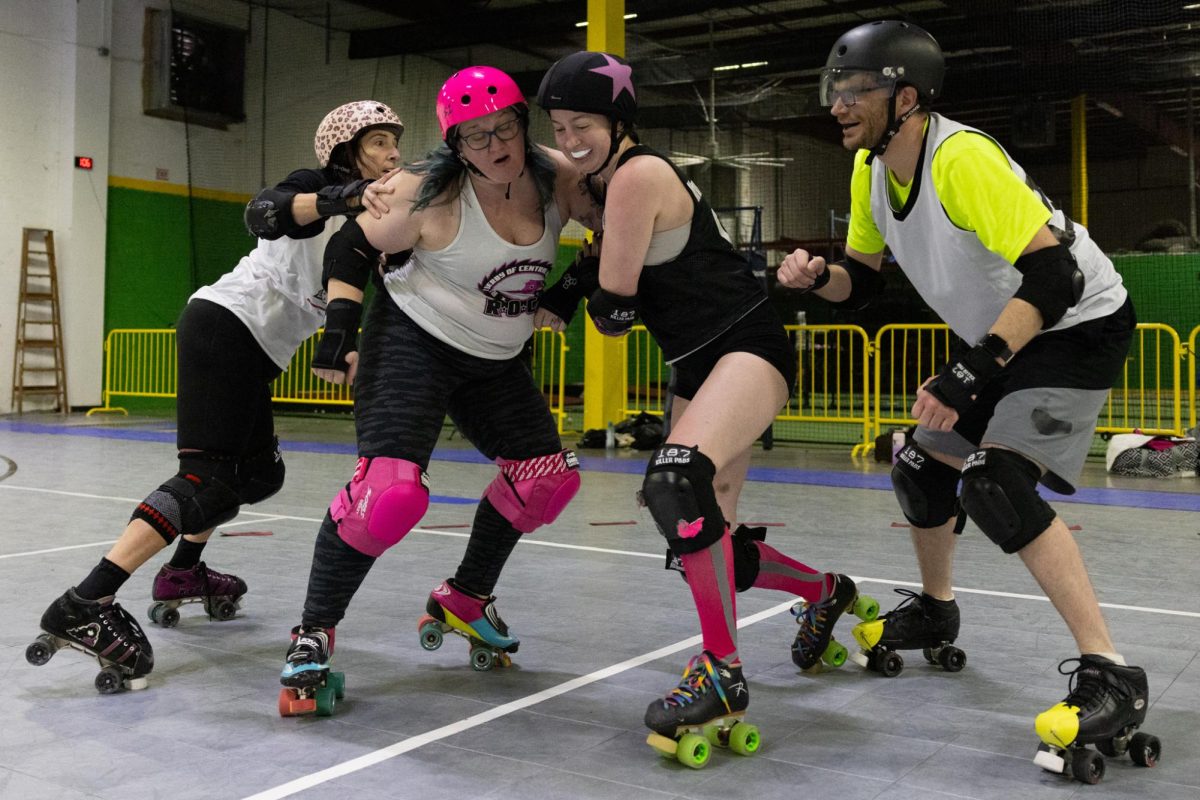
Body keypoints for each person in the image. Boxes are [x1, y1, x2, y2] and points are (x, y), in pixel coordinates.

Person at [777, 19, 1150, 771]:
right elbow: (863, 286)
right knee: (920, 464)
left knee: (994, 480)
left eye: (856, 93)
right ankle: (938, 609)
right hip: (1004, 334)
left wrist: (970, 370)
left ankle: (1113, 673)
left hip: (1076, 324)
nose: (839, 106)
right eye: (835, 91)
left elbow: (1056, 277)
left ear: (906, 98)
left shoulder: (962, 159)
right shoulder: (870, 170)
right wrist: (821, 279)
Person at [534, 51, 875, 747]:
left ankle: (721, 671)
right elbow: (596, 253)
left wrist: (570, 289)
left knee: (676, 485)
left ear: (619, 121)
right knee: (704, 541)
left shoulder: (636, 177)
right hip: (698, 366)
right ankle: (823, 591)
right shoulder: (614, 177)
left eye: (583, 124)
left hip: (747, 347)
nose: (571, 139)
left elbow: (617, 312)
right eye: (561, 125)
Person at [28, 101, 404, 691]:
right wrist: (344, 197)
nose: (394, 154)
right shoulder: (318, 189)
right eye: (380, 142)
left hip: (254, 351)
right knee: (207, 479)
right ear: (345, 151)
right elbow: (264, 213)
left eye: (394, 143)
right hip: (225, 324)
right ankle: (85, 601)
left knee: (256, 475)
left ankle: (181, 573)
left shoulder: (380, 222)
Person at [278, 67, 604, 702]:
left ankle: (466, 597)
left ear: (522, 124)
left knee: (545, 480)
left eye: (505, 127)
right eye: (476, 136)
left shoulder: (557, 175)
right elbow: (351, 246)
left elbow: (621, 222)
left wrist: (569, 291)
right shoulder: (426, 190)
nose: (495, 146)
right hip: (413, 344)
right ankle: (313, 632)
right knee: (389, 496)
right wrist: (340, 329)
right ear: (455, 143)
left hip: (496, 360)